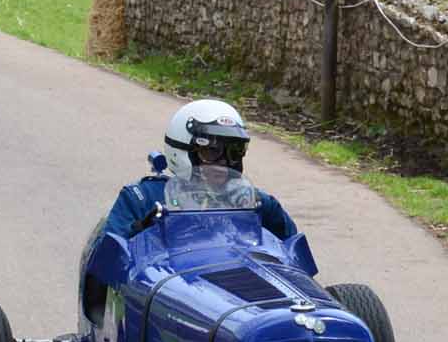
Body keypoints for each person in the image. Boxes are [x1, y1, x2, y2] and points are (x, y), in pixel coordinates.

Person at [100, 101, 303, 248]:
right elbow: (106, 257)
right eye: (211, 151)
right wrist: (142, 229)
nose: (224, 161)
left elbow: (295, 254)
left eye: (234, 152)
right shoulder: (142, 198)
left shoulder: (257, 203)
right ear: (183, 149)